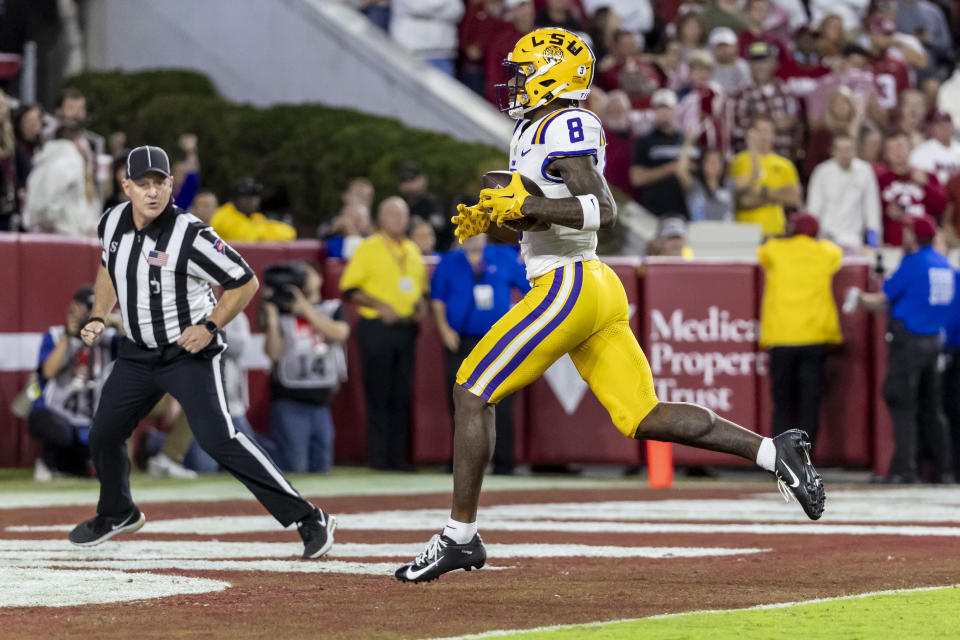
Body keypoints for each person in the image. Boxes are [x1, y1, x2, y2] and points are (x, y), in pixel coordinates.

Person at [395, 27, 825, 584]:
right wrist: (503, 215)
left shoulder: (563, 124)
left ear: (553, 74)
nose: (516, 81)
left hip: (569, 284)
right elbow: (541, 208)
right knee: (643, 415)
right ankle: (774, 452)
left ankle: (459, 536)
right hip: (591, 284)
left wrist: (525, 205)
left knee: (471, 391)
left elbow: (602, 208)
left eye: (525, 70)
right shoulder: (535, 128)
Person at [70, 145, 335, 559]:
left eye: (160, 182)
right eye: (143, 184)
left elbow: (245, 281)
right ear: (126, 187)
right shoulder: (112, 222)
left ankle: (307, 517)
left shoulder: (189, 233)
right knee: (103, 432)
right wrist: (100, 315)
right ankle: (117, 511)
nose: (153, 191)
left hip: (185, 351)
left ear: (171, 185)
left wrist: (210, 325)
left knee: (219, 439)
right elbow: (108, 265)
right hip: (138, 351)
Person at [851, 215, 954, 483]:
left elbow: (884, 298)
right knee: (932, 408)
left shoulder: (914, 263)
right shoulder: (943, 264)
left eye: (907, 231)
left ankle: (903, 469)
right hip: (935, 341)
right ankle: (944, 469)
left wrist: (859, 299)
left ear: (913, 235)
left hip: (910, 342)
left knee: (902, 404)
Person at [340, 196, 428, 471]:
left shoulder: (413, 250)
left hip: (406, 328)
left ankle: (398, 458)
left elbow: (422, 290)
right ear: (380, 218)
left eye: (401, 215)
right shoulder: (369, 248)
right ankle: (379, 459)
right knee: (379, 394)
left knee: (402, 395)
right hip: (377, 327)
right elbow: (349, 290)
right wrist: (379, 304)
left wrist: (421, 306)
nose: (397, 220)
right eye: (391, 214)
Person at [431, 234, 530, 474]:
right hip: (461, 341)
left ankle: (504, 462)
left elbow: (531, 290)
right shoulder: (448, 261)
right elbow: (437, 299)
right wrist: (444, 330)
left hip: (497, 341)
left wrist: (520, 326)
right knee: (460, 400)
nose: (472, 236)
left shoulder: (504, 256)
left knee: (503, 400)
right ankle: (461, 463)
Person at [758, 213, 843, 446]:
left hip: (782, 337)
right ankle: (805, 460)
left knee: (783, 403)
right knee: (809, 403)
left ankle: (779, 459)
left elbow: (761, 251)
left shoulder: (775, 249)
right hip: (814, 338)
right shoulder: (825, 252)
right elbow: (838, 253)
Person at [263, 261, 349, 474]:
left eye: (307, 274)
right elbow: (273, 353)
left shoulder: (332, 308)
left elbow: (339, 333)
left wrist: (305, 309)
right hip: (290, 401)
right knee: (295, 468)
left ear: (320, 278)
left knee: (322, 468)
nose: (303, 279)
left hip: (322, 403)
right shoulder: (283, 312)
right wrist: (273, 321)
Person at [29, 286, 122, 481]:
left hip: (88, 421)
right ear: (74, 308)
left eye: (96, 308)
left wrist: (113, 320)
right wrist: (68, 336)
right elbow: (48, 371)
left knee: (87, 467)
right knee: (58, 432)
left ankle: (64, 465)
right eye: (88, 307)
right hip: (54, 413)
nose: (91, 313)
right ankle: (46, 462)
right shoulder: (55, 335)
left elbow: (137, 342)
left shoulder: (108, 339)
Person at [806, 132, 881, 252]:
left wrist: (874, 246)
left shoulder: (865, 171)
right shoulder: (821, 172)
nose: (844, 154)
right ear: (833, 151)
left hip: (855, 240)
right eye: (840, 149)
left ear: (855, 150)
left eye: (848, 149)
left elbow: (872, 211)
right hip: (825, 239)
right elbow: (813, 210)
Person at [730, 115, 803, 235]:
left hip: (775, 231)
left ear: (774, 135)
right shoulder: (739, 161)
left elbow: (794, 198)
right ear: (751, 134)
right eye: (760, 131)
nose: (764, 136)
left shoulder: (785, 164)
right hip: (744, 232)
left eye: (768, 131)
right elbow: (743, 200)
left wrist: (762, 192)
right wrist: (777, 195)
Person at [731, 41, 803, 162]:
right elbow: (737, 131)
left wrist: (758, 123)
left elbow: (796, 124)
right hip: (752, 162)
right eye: (755, 62)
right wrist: (773, 126)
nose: (760, 66)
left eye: (764, 61)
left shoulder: (786, 92)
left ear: (774, 63)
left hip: (785, 160)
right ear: (749, 65)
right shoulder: (742, 93)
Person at [22, 124, 100, 236]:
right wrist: (50, 216)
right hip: (64, 231)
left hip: (43, 230)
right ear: (77, 140)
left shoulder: (45, 157)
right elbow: (55, 189)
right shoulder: (71, 158)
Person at [876, 131, 946, 246]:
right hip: (893, 243)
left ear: (910, 148)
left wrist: (926, 185)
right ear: (886, 154)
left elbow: (940, 207)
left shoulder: (927, 176)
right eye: (892, 149)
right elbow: (873, 214)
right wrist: (886, 212)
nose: (898, 153)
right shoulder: (880, 181)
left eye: (901, 147)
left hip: (925, 244)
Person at [630, 89, 690, 218]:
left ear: (674, 110)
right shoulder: (644, 141)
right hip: (655, 212)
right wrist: (672, 168)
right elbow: (637, 178)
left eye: (667, 108)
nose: (663, 112)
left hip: (686, 211)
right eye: (659, 108)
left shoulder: (684, 139)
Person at [390, 0, 465, 75]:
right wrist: (443, 8)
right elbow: (417, 6)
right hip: (410, 52)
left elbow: (457, 11)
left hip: (442, 54)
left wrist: (425, 15)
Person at [210, 177, 296, 242]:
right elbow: (247, 237)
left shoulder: (255, 216)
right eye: (246, 197)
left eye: (255, 196)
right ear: (235, 199)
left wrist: (260, 232)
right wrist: (264, 230)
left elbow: (290, 233)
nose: (252, 201)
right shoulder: (223, 215)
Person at [678, 136, 735, 222]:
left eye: (717, 161)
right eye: (709, 160)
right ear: (702, 164)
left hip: (725, 232)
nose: (714, 164)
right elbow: (680, 170)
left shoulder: (729, 185)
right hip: (700, 232)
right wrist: (688, 142)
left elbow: (752, 179)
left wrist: (753, 149)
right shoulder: (695, 187)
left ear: (723, 166)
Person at [909, 110, 960, 188]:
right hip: (933, 194)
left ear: (952, 126)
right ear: (931, 128)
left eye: (947, 123)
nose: (945, 128)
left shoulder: (958, 148)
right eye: (940, 125)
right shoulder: (920, 152)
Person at [709, 27, 751, 96]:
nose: (723, 49)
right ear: (713, 48)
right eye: (720, 46)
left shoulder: (745, 66)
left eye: (726, 45)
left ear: (735, 46)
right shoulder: (708, 68)